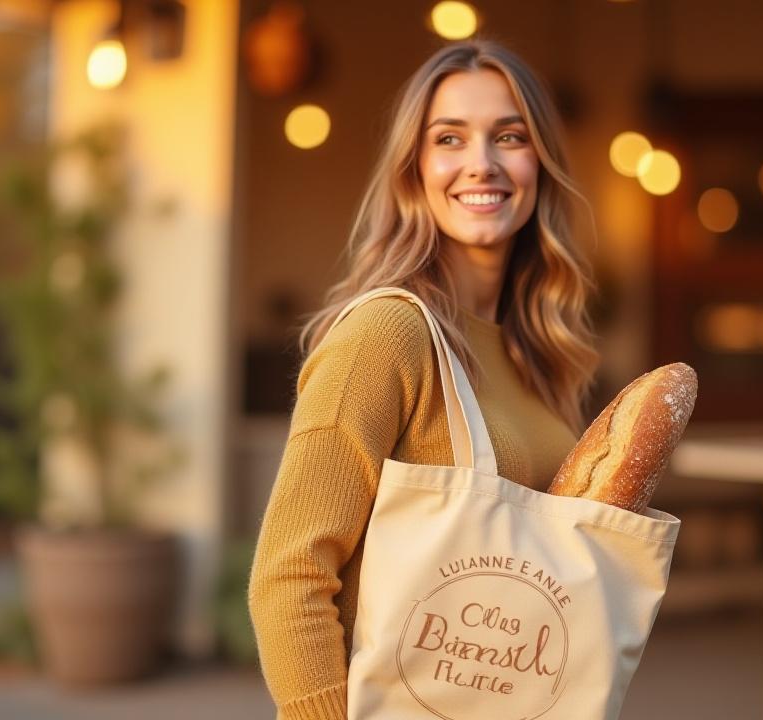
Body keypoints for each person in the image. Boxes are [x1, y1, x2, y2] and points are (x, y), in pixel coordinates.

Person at [247, 39, 600, 719]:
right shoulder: (386, 334)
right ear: (414, 171)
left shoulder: (536, 352)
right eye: (449, 138)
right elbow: (288, 578)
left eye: (509, 136)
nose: (482, 163)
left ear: (540, 163)